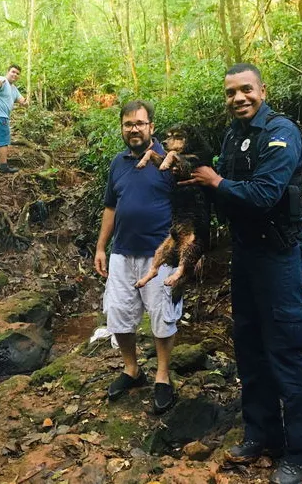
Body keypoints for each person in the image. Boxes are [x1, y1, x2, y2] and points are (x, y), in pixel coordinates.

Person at [182, 64, 302, 484]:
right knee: (249, 346)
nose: (239, 98)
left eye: (246, 90)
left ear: (262, 90)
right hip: (245, 255)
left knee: (287, 350)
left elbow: (263, 194)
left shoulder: (281, 133)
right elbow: (227, 194)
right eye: (231, 93)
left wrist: (216, 181)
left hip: (278, 256)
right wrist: (203, 185)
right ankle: (262, 434)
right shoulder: (233, 135)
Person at [94, 100, 181, 415]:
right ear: (122, 127)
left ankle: (162, 375)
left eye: (140, 123)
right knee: (118, 315)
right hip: (121, 253)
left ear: (151, 127)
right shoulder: (117, 163)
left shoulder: (168, 162)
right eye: (128, 124)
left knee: (162, 316)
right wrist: (101, 247)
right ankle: (132, 369)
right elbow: (110, 208)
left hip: (161, 255)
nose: (134, 129)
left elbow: (188, 205)